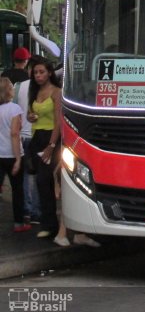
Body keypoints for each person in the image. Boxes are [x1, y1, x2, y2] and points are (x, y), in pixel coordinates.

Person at [26, 56, 62, 239]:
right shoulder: (34, 91)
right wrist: (30, 117)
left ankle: (52, 224)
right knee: (40, 182)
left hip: (51, 138)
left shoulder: (56, 92)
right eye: (35, 73)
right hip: (36, 137)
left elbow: (58, 122)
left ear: (49, 73)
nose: (38, 76)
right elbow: (29, 113)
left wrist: (52, 145)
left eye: (41, 72)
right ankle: (48, 223)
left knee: (44, 180)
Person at [0, 77, 31, 232]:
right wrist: (18, 158)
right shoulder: (15, 109)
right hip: (11, 155)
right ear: (9, 91)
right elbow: (14, 133)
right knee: (17, 190)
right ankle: (19, 223)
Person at [14, 56, 41, 224]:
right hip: (37, 135)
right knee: (37, 177)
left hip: (22, 136)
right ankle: (36, 212)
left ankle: (27, 210)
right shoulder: (46, 89)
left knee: (25, 177)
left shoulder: (17, 87)